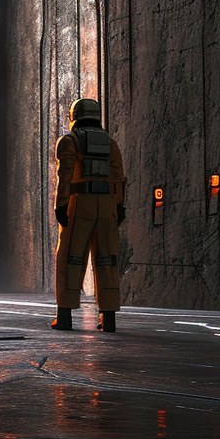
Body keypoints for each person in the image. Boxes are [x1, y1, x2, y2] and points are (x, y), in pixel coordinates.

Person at [52, 97, 126, 332]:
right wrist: (119, 206)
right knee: (107, 259)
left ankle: (64, 316)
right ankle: (109, 318)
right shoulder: (111, 144)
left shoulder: (69, 142)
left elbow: (64, 175)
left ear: (75, 116)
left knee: (71, 257)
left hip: (79, 202)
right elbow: (118, 178)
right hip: (107, 206)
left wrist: (61, 204)